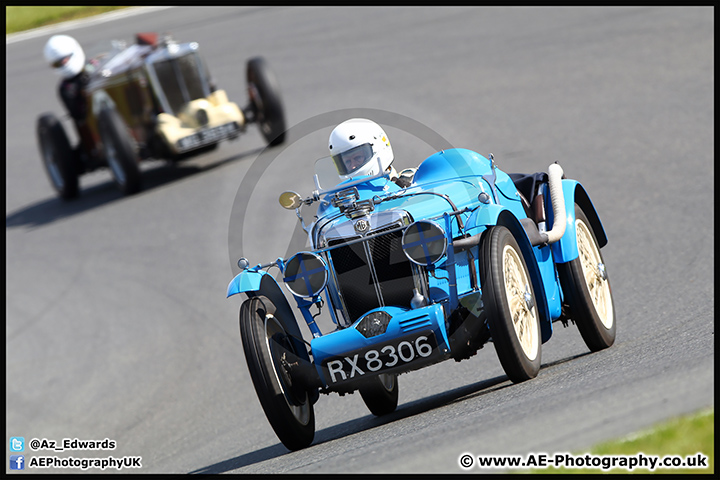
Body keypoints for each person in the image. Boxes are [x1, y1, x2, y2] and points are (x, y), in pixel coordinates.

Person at [43, 34, 96, 164]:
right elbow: (78, 115)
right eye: (59, 63)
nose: (64, 63)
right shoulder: (66, 88)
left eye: (66, 59)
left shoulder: (95, 66)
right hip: (93, 128)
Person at [328, 118, 416, 188]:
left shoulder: (415, 180)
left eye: (357, 158)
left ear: (378, 148)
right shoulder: (343, 202)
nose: (353, 166)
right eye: (347, 162)